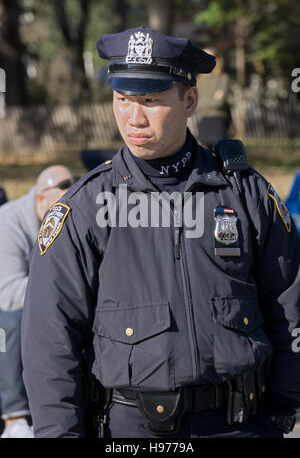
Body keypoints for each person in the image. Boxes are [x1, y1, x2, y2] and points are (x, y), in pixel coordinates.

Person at [21, 26, 300, 438]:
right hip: (134, 431)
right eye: (122, 100)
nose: (133, 118)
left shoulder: (246, 192)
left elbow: (288, 302)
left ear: (189, 100)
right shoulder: (82, 209)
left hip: (243, 425)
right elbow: (50, 341)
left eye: (150, 101)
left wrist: (283, 407)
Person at [0, 165, 76, 438]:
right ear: (40, 199)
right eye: (59, 206)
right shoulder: (8, 222)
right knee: (9, 324)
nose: (64, 214)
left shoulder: (71, 221)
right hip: (6, 310)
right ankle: (14, 418)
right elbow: (7, 294)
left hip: (47, 303)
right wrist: (60, 288)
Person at [195, 47, 232, 150]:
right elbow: (196, 104)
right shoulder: (199, 80)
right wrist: (212, 100)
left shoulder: (223, 78)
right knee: (205, 154)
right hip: (202, 119)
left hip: (218, 120)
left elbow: (220, 103)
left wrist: (204, 103)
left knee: (220, 152)